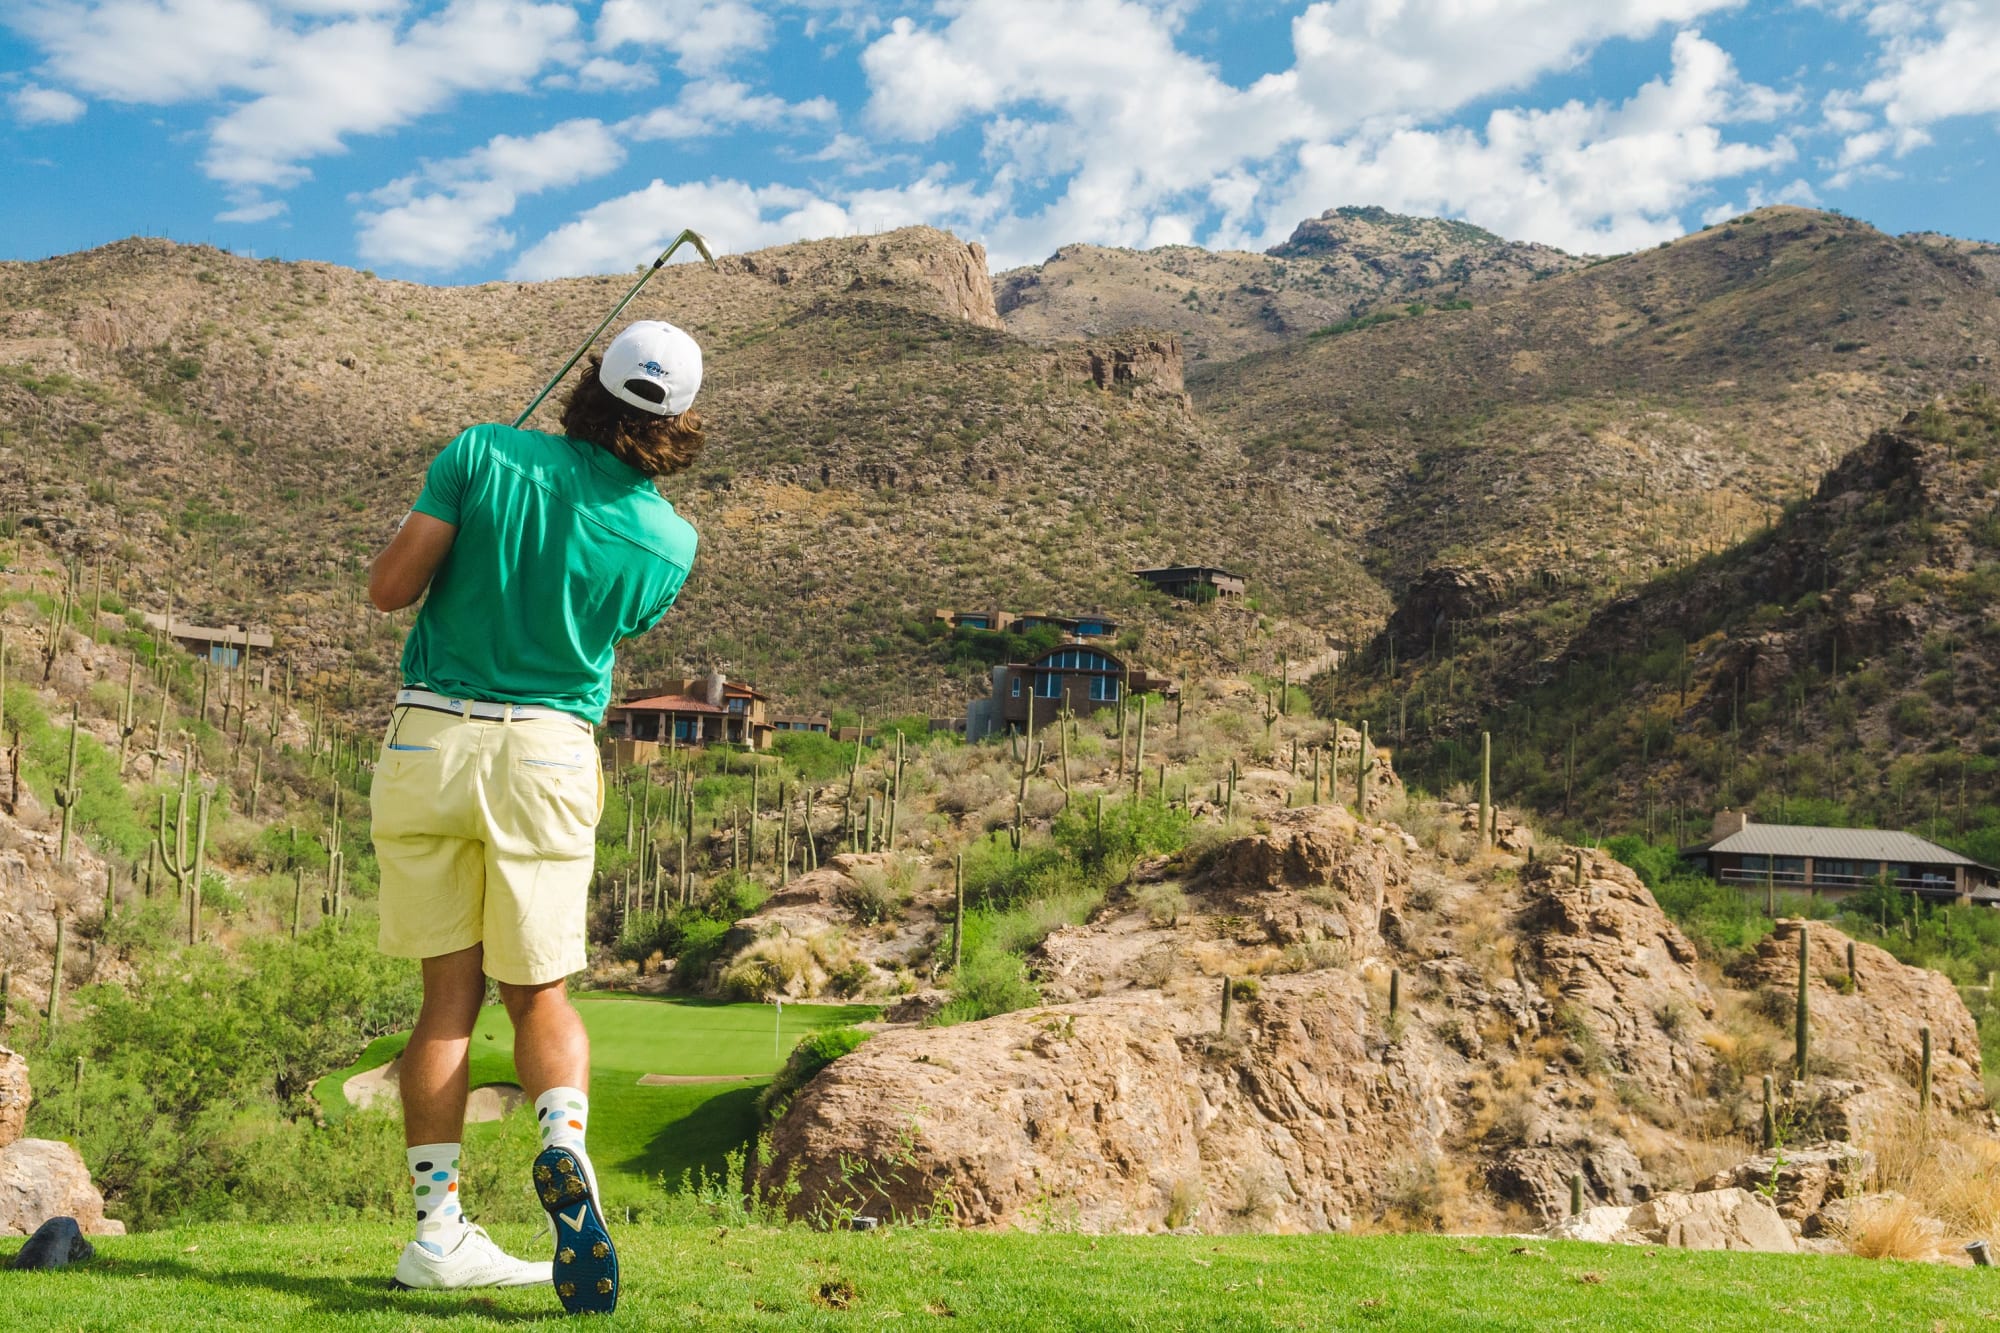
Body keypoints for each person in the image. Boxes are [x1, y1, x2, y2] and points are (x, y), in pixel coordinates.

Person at [365, 321, 704, 1315]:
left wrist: (469, 497)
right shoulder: (668, 540)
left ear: (590, 384)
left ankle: (436, 1234)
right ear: (675, 421)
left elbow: (389, 591)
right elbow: (614, 624)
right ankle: (561, 1143)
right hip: (546, 751)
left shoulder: (480, 451)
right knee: (539, 995)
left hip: (429, 740)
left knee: (445, 1001)